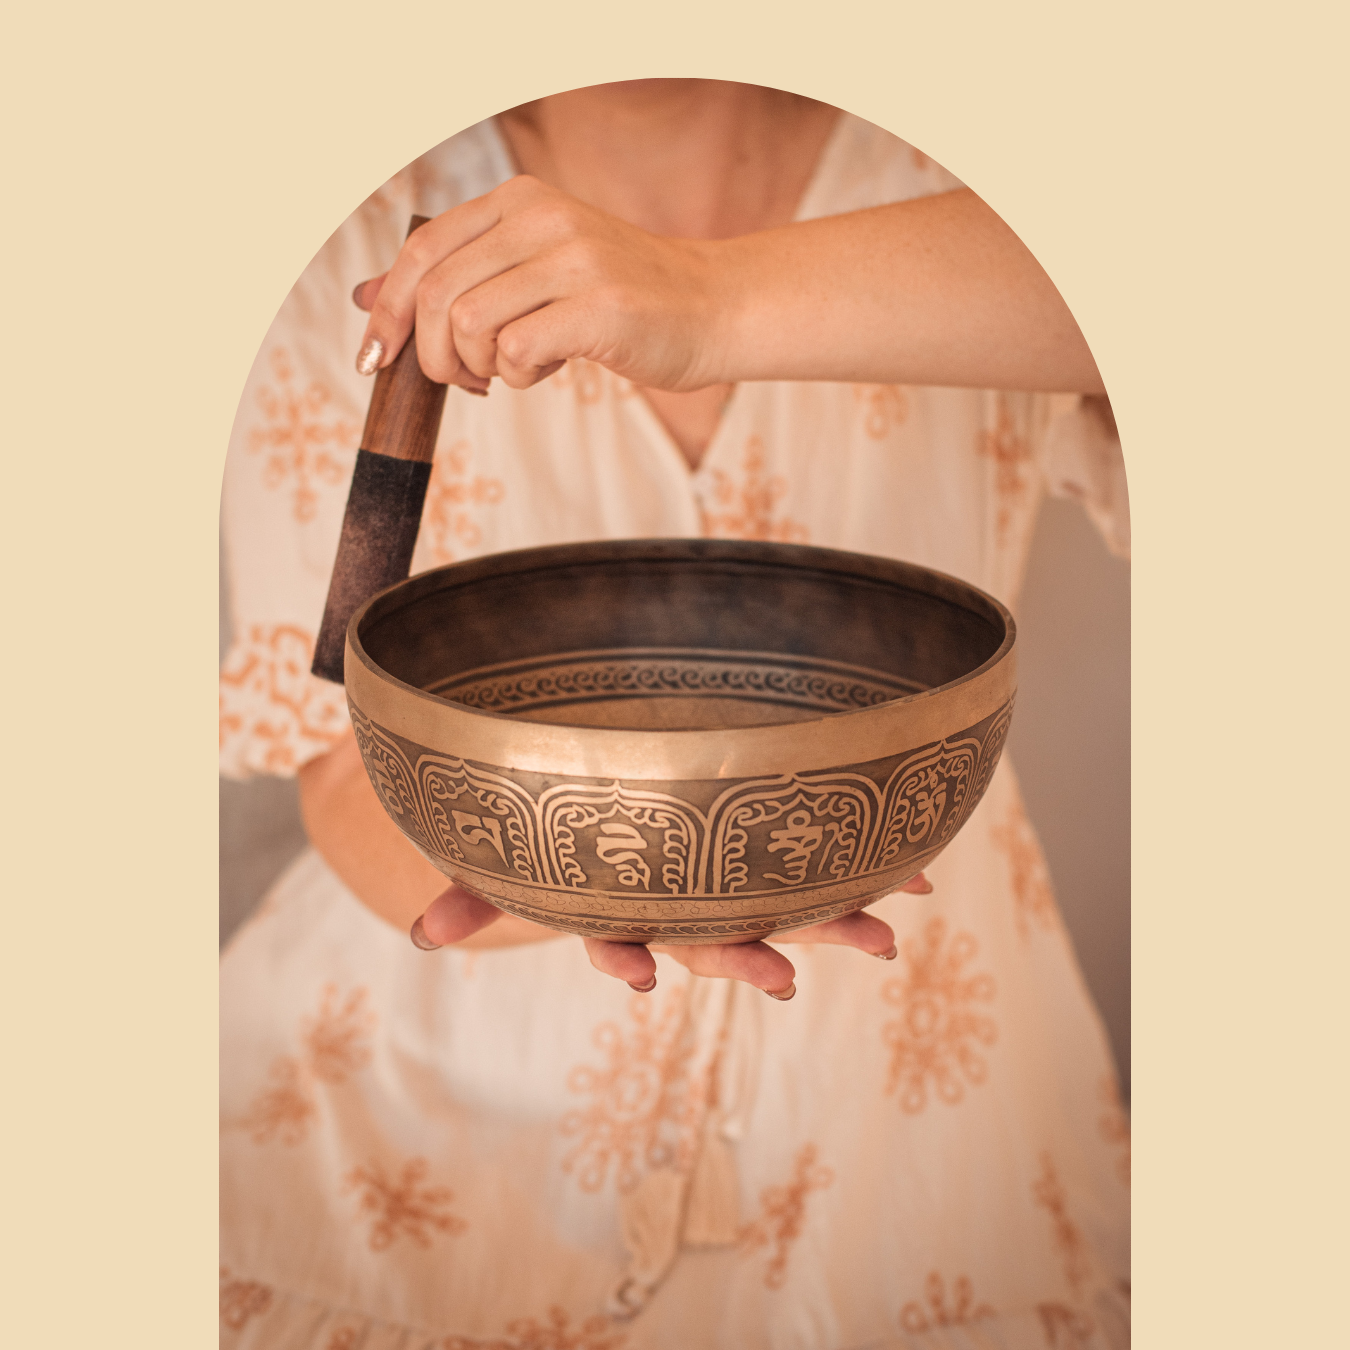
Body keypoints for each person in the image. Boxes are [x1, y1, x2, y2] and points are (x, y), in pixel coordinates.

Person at [220, 80, 1130, 1349]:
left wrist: (710, 298)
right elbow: (336, 751)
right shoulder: (358, 244)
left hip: (919, 1144)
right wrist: (561, 870)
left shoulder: (983, 184)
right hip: (406, 1145)